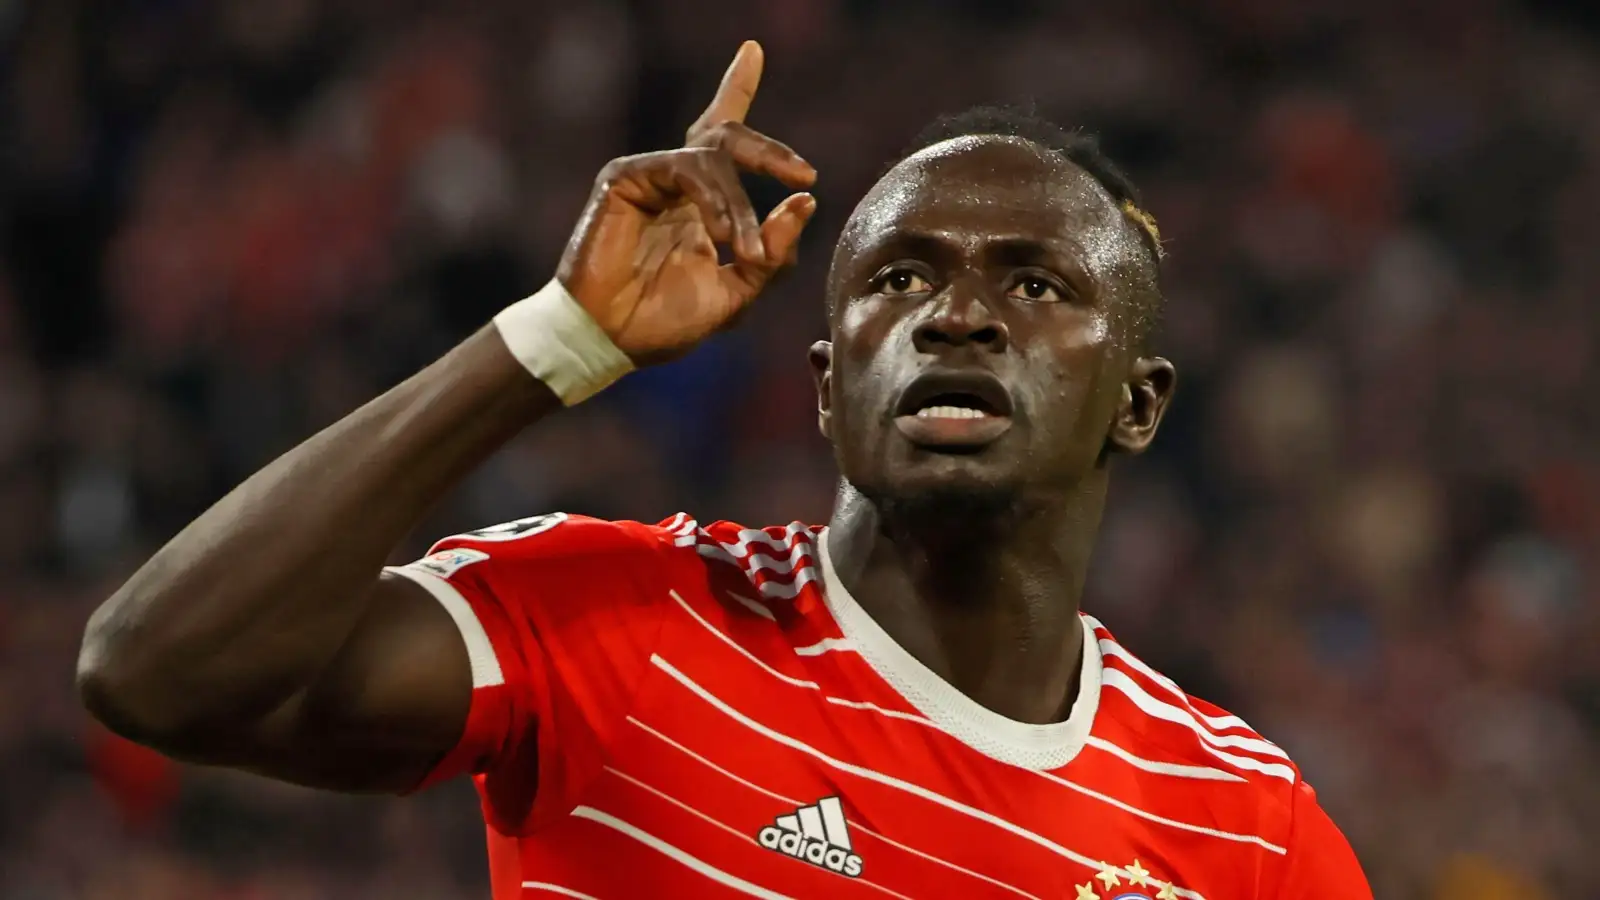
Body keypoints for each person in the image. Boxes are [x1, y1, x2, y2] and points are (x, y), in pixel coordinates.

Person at [78, 41, 1372, 900]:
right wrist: (555, 342)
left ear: (1137, 406)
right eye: (900, 278)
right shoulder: (623, 622)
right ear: (825, 385)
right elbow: (154, 672)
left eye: (1035, 284)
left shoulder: (1242, 826)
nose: (956, 317)